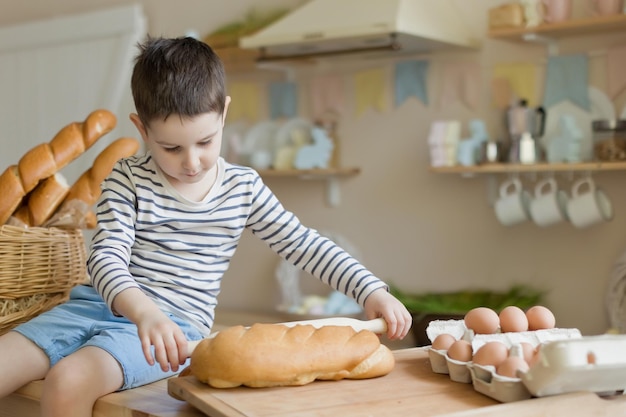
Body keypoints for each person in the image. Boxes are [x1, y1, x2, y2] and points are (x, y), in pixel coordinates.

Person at [0, 36, 412, 416]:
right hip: (94, 307)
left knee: (68, 381)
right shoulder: (127, 178)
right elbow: (106, 259)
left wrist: (370, 288)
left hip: (174, 331)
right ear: (142, 128)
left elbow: (303, 244)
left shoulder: (243, 187)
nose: (192, 162)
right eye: (171, 147)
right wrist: (144, 312)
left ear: (224, 114)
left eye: (205, 142)